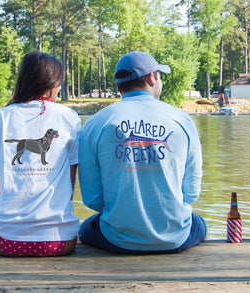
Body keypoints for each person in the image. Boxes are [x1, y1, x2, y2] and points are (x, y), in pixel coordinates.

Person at [78, 51, 207, 254]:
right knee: (199, 223)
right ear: (150, 78)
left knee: (85, 229)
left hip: (117, 240)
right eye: (159, 76)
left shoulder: (95, 123)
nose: (160, 82)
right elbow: (191, 192)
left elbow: (92, 199)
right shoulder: (182, 120)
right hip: (176, 238)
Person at [0, 51, 80, 256]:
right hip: (59, 242)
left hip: (7, 241)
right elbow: (70, 185)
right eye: (59, 83)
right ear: (52, 84)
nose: (60, 88)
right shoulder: (70, 118)